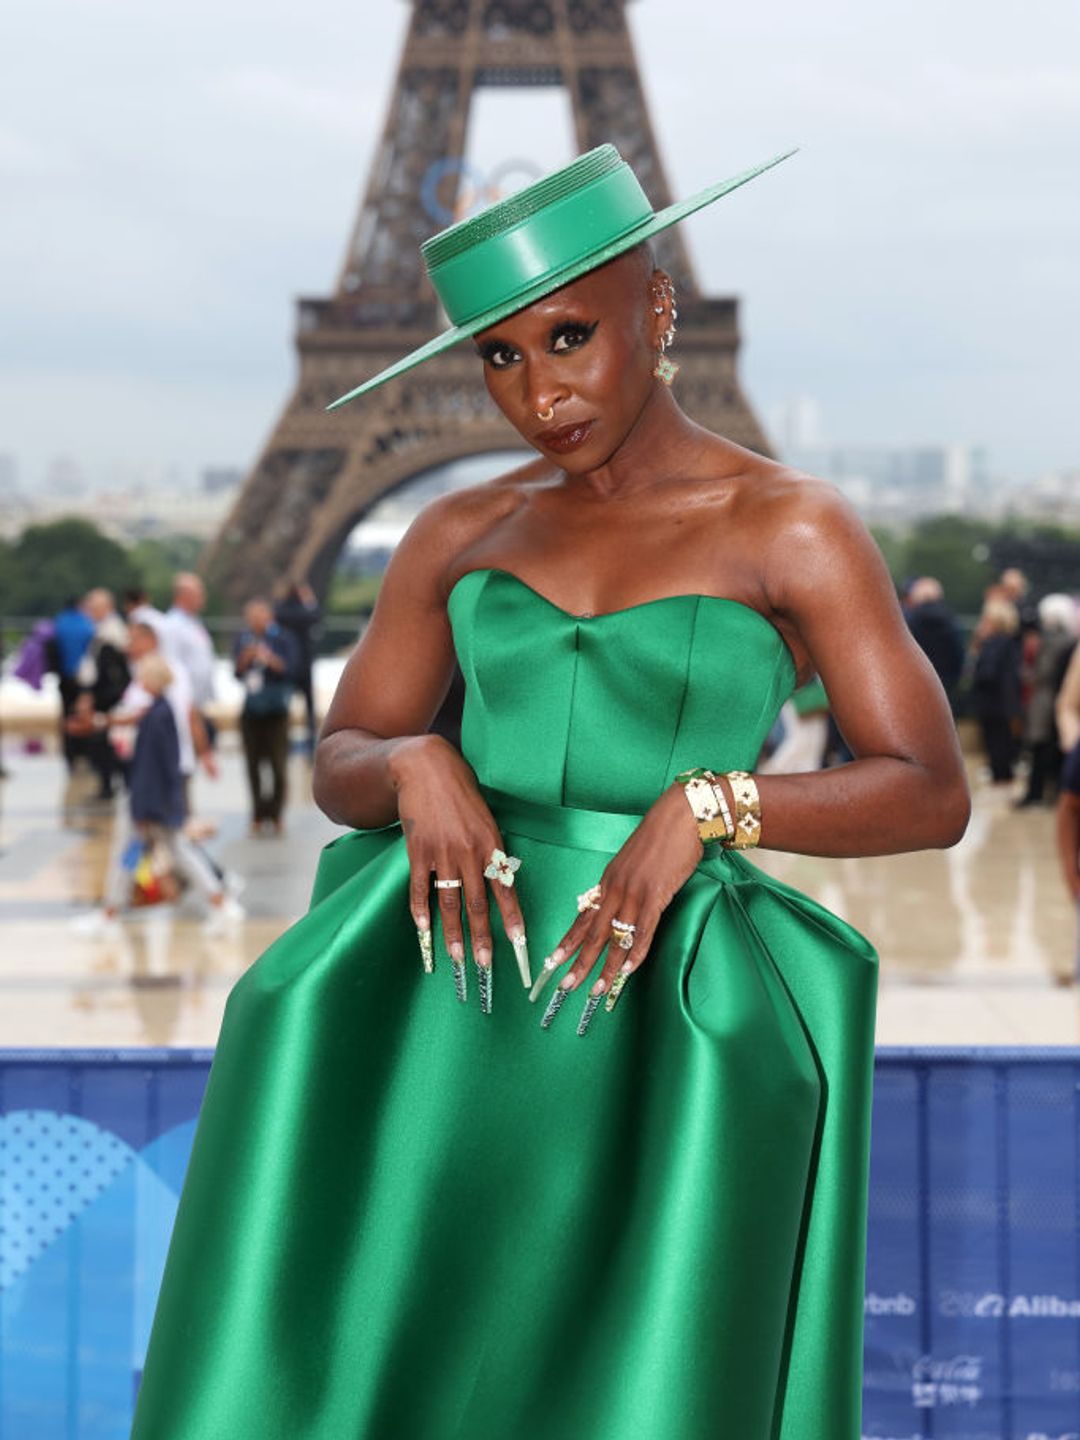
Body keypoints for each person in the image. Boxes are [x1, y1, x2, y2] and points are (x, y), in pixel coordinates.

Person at [134, 145, 969, 1440]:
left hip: (657, 1004)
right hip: (440, 1002)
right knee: (391, 1371)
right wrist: (417, 761)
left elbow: (929, 790)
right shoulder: (459, 533)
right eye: (502, 356)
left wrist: (710, 807)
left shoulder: (790, 525)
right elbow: (341, 756)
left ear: (660, 307)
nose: (539, 391)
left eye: (570, 336)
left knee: (638, 1383)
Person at [70, 652, 244, 938]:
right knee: (173, 852)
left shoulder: (157, 716)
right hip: (155, 801)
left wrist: (143, 809)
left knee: (146, 853)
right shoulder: (160, 712)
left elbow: (152, 768)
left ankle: (111, 912)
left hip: (148, 802)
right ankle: (220, 904)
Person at [233, 599, 296, 835]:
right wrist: (246, 659)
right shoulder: (243, 639)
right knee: (253, 765)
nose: (254, 622)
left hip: (276, 709)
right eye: (250, 618)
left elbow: (291, 670)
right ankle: (258, 813)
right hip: (252, 709)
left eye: (258, 617)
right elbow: (237, 673)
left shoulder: (283, 639)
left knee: (278, 765)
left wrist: (269, 659)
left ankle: (276, 812)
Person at [1016, 593, 1077, 806]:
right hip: (1057, 701)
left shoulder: (1050, 642)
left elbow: (1042, 672)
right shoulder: (1068, 641)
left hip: (1047, 701)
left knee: (1041, 748)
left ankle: (1037, 793)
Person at [971, 596, 1022, 785]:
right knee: (1003, 740)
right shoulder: (1009, 641)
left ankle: (1000, 776)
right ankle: (1003, 775)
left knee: (995, 742)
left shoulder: (993, 643)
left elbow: (987, 673)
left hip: (992, 701)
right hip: (1004, 701)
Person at [273, 580, 322, 758]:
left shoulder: (280, 612)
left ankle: (284, 744)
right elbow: (316, 616)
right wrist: (309, 600)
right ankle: (311, 744)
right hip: (305, 663)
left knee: (284, 706)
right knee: (309, 707)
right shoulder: (305, 612)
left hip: (287, 664)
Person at [905, 576, 965, 707]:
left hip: (916, 678)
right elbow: (958, 651)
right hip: (946, 680)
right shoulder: (950, 618)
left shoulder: (909, 620)